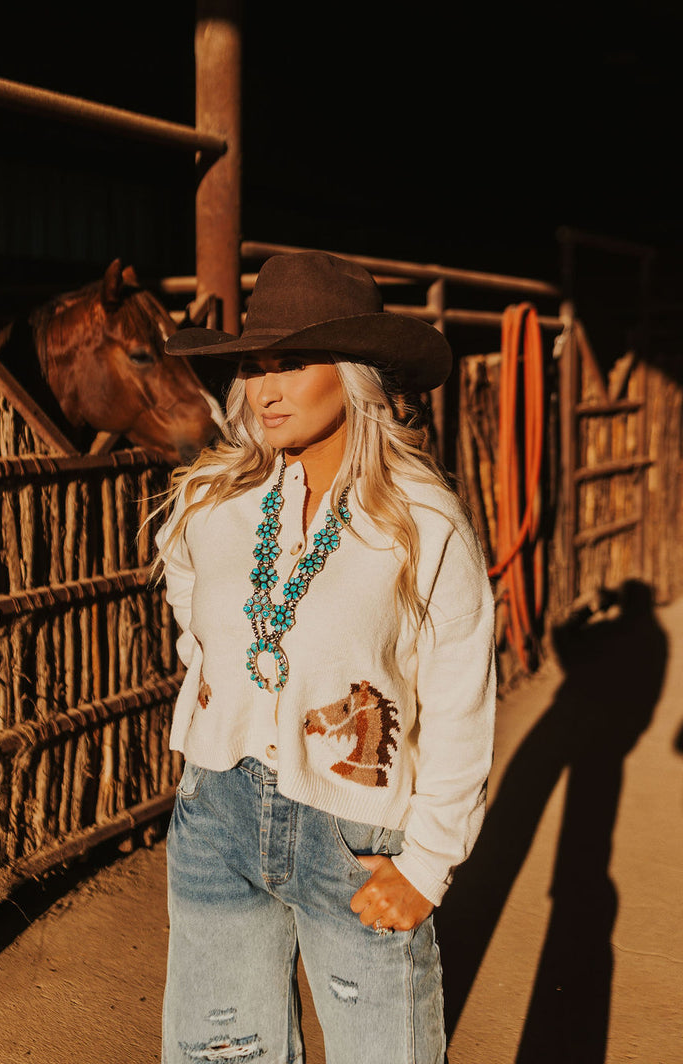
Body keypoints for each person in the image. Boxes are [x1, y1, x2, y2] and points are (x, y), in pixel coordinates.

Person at [151, 251, 496, 1064]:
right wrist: (223, 684)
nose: (264, 391)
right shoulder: (213, 500)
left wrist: (429, 863)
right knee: (217, 1055)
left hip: (352, 835)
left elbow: (460, 696)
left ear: (352, 376)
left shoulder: (421, 521)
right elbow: (188, 593)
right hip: (216, 813)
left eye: (293, 364)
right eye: (254, 367)